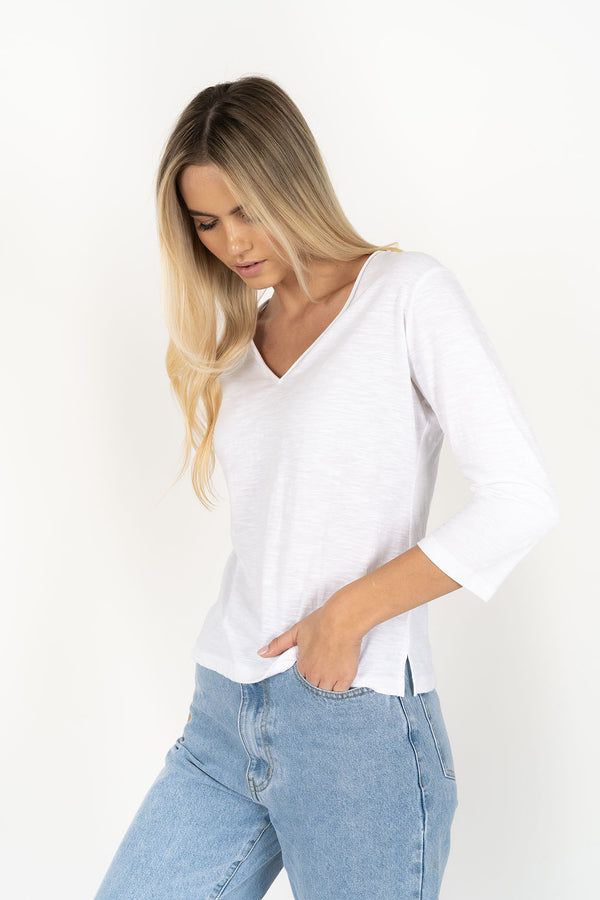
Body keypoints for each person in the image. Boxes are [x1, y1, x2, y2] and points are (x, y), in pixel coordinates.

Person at [94, 75, 561, 900]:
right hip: (223, 716)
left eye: (246, 210)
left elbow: (521, 499)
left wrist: (348, 616)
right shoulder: (237, 350)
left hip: (355, 720)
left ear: (293, 181)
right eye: (206, 222)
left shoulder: (405, 294)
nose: (232, 242)